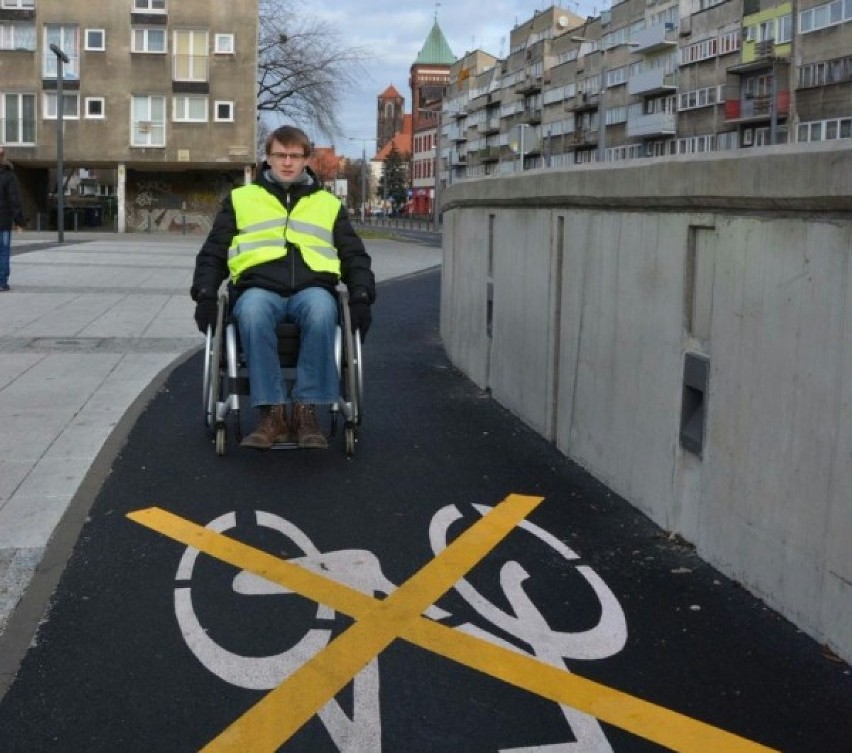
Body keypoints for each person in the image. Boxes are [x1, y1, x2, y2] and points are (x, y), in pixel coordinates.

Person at [191, 125, 375, 450]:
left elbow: (353, 254)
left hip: (313, 288)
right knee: (252, 311)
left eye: (294, 156)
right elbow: (214, 251)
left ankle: (306, 413)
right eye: (280, 155)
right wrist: (205, 293)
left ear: (307, 160)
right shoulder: (241, 199)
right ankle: (272, 414)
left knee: (322, 311)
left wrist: (361, 294)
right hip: (258, 287)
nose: (287, 162)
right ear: (268, 158)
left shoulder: (328, 204)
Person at [0, 146, 25, 292]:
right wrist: (19, 222)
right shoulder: (8, 175)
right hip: (3, 222)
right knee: (3, 252)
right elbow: (14, 199)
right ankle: (2, 282)